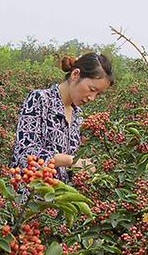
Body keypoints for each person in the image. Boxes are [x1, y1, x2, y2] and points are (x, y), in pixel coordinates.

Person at [11, 52, 114, 183]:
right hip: (30, 195)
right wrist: (71, 161)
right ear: (75, 75)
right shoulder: (40, 100)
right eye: (92, 89)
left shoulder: (78, 116)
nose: (92, 98)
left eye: (98, 94)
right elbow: (25, 153)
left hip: (59, 199)